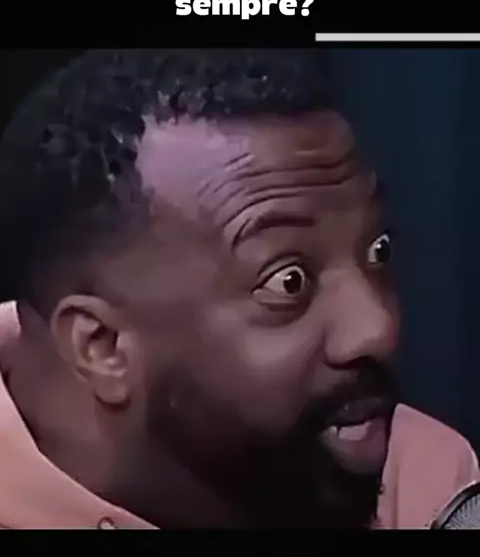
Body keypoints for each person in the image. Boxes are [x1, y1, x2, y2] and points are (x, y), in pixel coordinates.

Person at [0, 48, 477, 530]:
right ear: (102, 345)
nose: (378, 328)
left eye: (378, 251)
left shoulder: (424, 486)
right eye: (289, 282)